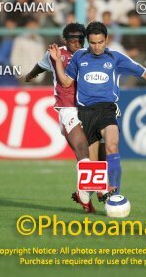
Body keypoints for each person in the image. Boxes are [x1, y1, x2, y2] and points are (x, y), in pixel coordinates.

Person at [50, 21, 146, 197]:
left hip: (107, 109)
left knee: (112, 145)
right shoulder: (79, 57)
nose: (97, 47)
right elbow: (65, 82)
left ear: (107, 39)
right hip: (85, 112)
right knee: (93, 162)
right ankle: (97, 193)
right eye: (93, 43)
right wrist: (57, 62)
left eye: (101, 42)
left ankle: (115, 192)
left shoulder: (115, 57)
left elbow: (141, 71)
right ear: (88, 41)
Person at [24, 23, 112, 213]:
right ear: (65, 40)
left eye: (80, 39)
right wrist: (29, 76)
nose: (76, 43)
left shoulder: (91, 54)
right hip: (68, 109)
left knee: (98, 153)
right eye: (72, 40)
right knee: (82, 149)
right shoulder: (56, 54)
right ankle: (96, 190)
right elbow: (39, 67)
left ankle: (86, 193)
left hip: (90, 109)